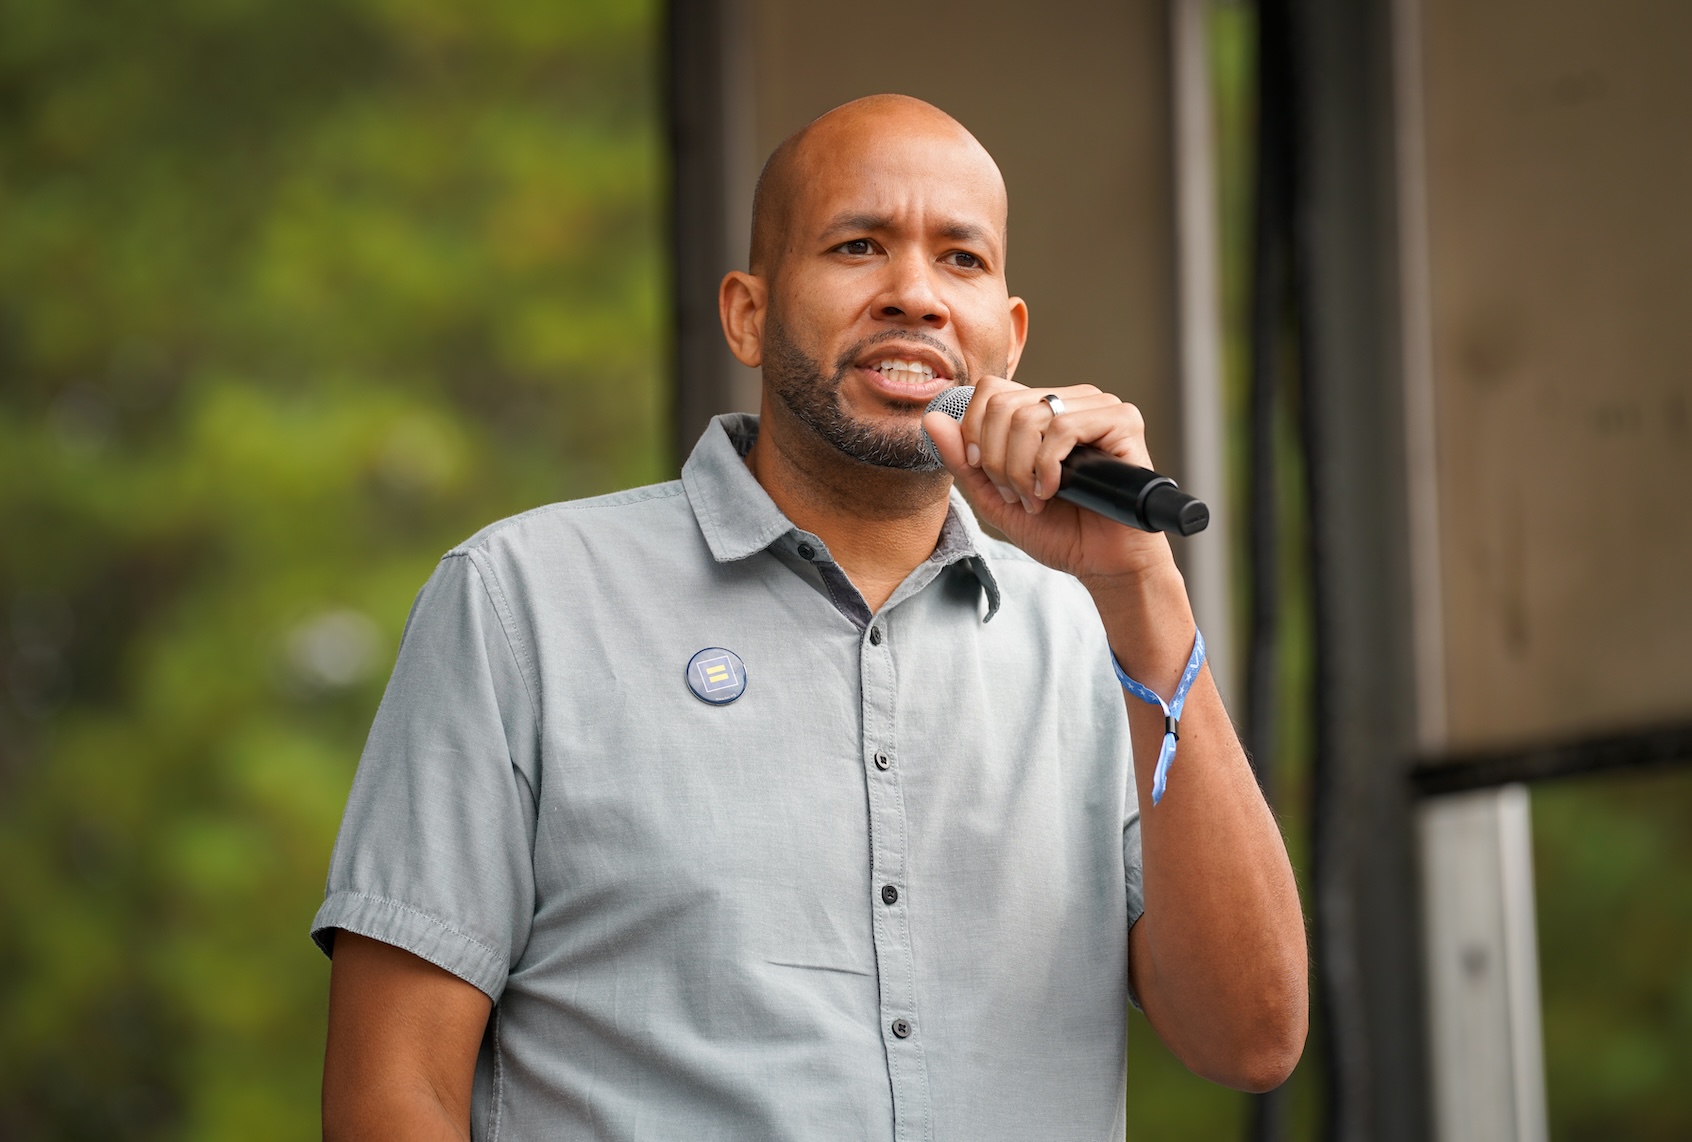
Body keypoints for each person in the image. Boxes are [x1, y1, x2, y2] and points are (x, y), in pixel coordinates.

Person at [316, 94, 1306, 1141]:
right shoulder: (523, 601)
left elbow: (1249, 1037)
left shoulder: (1093, 640)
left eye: (961, 260)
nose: (915, 295)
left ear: (1007, 340)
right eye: (857, 245)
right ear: (748, 312)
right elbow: (395, 1089)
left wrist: (1144, 589)